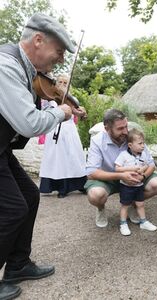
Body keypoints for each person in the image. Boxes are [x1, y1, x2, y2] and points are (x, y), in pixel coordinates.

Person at [0, 12, 82, 300]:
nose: (60, 60)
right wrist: (61, 111)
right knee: (12, 209)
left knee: (30, 197)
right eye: (59, 52)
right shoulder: (5, 67)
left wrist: (59, 103)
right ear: (37, 40)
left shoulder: (27, 70)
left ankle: (18, 265)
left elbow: (38, 99)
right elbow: (29, 123)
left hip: (2, 149)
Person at [84, 109, 157, 229]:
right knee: (96, 195)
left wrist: (143, 176)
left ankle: (133, 204)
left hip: (136, 177)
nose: (125, 131)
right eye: (120, 129)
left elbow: (151, 164)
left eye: (126, 126)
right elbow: (91, 173)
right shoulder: (97, 141)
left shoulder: (132, 137)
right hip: (108, 178)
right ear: (107, 128)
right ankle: (100, 209)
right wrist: (121, 176)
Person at [39, 74, 87, 198]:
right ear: (55, 83)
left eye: (65, 83)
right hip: (55, 130)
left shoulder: (71, 99)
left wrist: (81, 113)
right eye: (60, 82)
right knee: (57, 159)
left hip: (69, 131)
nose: (62, 85)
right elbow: (44, 114)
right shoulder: (49, 98)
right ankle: (60, 187)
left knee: (74, 157)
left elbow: (78, 116)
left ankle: (79, 184)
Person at [115, 128, 157, 236]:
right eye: (140, 143)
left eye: (143, 143)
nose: (143, 146)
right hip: (126, 186)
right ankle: (123, 224)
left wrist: (142, 170)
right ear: (130, 145)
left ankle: (143, 222)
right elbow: (117, 169)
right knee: (125, 205)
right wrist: (131, 169)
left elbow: (147, 165)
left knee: (140, 204)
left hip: (139, 185)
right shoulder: (123, 155)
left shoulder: (143, 155)